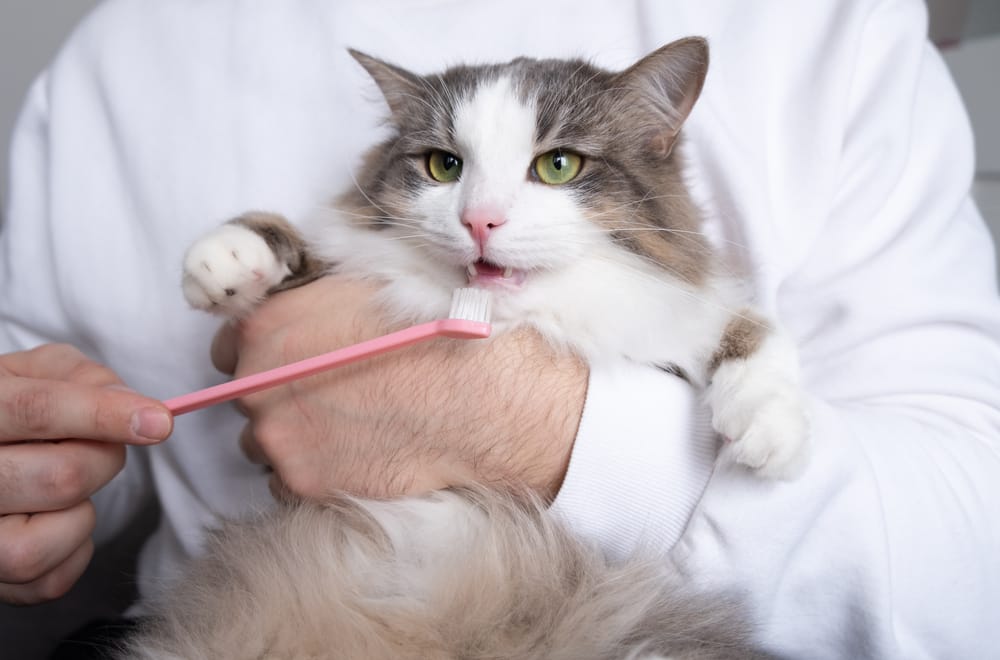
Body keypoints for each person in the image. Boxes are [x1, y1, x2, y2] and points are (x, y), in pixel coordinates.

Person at [2, 0, 999, 657]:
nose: (482, 215)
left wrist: (558, 435)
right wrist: (52, 459)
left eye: (555, 167)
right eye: (441, 166)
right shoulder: (129, 37)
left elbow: (969, 551)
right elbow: (57, 385)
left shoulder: (835, 22)